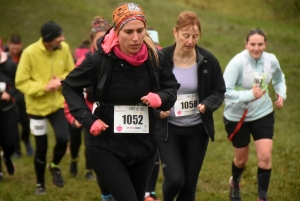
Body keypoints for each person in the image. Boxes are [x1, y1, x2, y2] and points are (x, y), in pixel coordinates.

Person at [61, 2, 178, 201]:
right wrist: (88, 120)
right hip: (107, 144)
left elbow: (171, 88)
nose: (136, 37)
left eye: (140, 30)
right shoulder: (100, 60)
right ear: (117, 31)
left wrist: (160, 98)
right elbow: (69, 86)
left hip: (144, 145)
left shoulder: (155, 58)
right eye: (128, 31)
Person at [155, 11, 226, 201]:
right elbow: (147, 90)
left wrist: (207, 104)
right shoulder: (160, 59)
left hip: (197, 130)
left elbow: (219, 90)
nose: (190, 41)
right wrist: (157, 110)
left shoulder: (207, 60)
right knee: (175, 178)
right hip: (169, 129)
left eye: (195, 36)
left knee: (189, 185)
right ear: (175, 33)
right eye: (186, 35)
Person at [223, 28, 287, 201]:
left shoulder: (271, 60)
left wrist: (281, 93)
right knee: (241, 160)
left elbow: (279, 79)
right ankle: (235, 183)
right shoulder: (237, 63)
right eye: (253, 44)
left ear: (265, 44)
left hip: (262, 113)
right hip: (237, 117)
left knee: (265, 156)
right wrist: (249, 95)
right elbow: (224, 91)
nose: (256, 48)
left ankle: (262, 197)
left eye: (260, 44)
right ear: (246, 44)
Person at [15, 21, 74, 195]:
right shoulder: (29, 53)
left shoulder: (64, 48)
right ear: (48, 40)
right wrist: (43, 87)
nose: (62, 39)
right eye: (59, 37)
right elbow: (21, 82)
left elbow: (72, 72)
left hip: (57, 105)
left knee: (63, 139)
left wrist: (61, 80)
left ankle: (54, 165)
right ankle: (40, 183)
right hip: (36, 109)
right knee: (41, 148)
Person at [64, 16, 111, 180]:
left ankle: (89, 169)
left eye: (106, 38)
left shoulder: (114, 59)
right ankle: (73, 160)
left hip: (101, 110)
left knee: (92, 141)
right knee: (76, 141)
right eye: (98, 40)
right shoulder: (84, 62)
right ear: (92, 41)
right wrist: (72, 116)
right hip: (83, 108)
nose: (102, 43)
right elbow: (70, 88)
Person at [5, 33, 33, 158]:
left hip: (23, 95)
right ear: (9, 45)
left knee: (25, 123)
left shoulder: (25, 56)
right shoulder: (4, 58)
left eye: (17, 48)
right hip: (10, 96)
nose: (15, 50)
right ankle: (16, 149)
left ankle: (26, 141)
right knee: (13, 124)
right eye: (13, 48)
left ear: (21, 46)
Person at [144, 26, 162, 201]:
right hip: (139, 113)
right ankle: (144, 191)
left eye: (155, 44)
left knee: (154, 152)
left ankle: (151, 191)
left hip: (158, 114)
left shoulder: (162, 59)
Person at [0, 38, 19, 180]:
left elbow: (19, 84)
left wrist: (10, 93)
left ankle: (7, 157)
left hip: (8, 109)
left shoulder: (11, 65)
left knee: (9, 143)